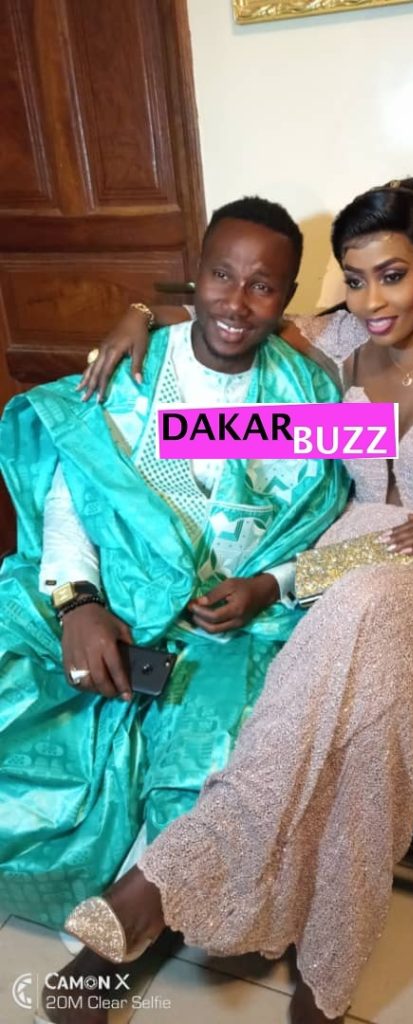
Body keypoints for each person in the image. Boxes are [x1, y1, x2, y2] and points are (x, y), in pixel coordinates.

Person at [33, 179, 413, 1024]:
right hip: (338, 574)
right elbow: (227, 317)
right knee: (376, 712)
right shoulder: (336, 345)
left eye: (393, 275)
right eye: (354, 279)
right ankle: (325, 986)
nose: (372, 301)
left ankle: (152, 895)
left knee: (366, 606)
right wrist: (138, 314)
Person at [0, 197, 348, 937]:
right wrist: (77, 602)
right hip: (107, 594)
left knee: (216, 743)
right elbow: (72, 494)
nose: (236, 302)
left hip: (236, 624)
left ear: (288, 296)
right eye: (221, 275)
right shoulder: (129, 368)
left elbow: (330, 526)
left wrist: (270, 587)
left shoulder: (314, 394)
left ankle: (138, 916)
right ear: (194, 275)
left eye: (262, 286)